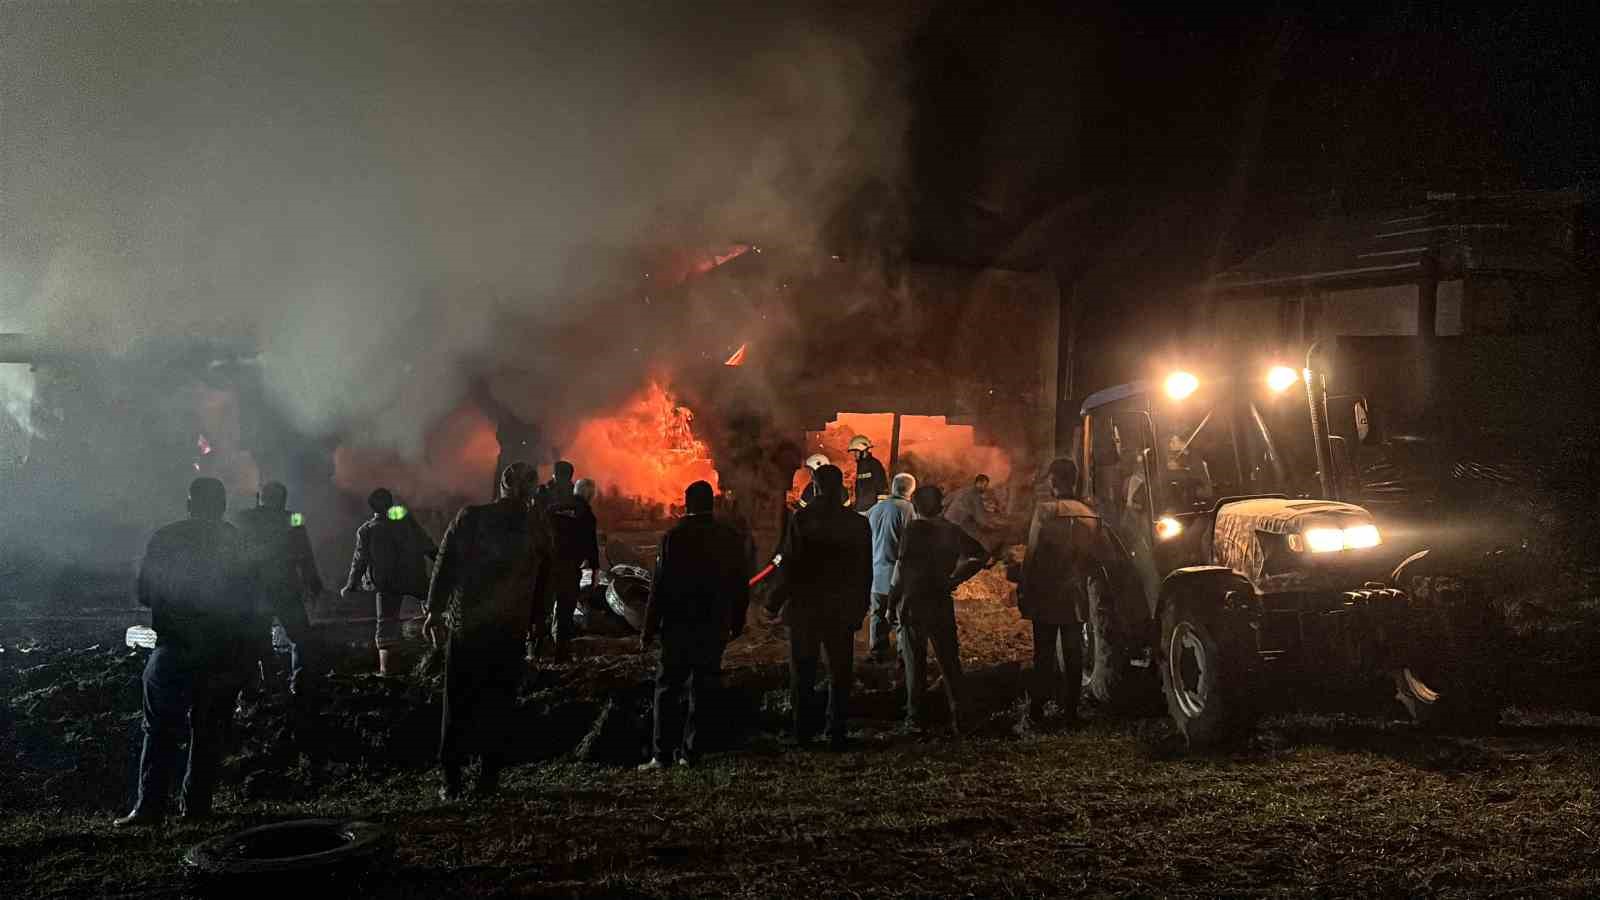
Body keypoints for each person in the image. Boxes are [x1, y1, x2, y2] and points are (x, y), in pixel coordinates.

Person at [116, 478, 255, 826]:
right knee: (209, 731)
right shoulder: (234, 540)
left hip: (175, 647)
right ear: (221, 505)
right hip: (222, 650)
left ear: (190, 503)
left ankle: (149, 808)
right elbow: (250, 599)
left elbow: (145, 592)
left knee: (160, 729)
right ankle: (197, 807)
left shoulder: (167, 537)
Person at [423, 462, 552, 800]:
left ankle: (451, 781)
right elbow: (545, 581)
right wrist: (539, 624)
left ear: (501, 484)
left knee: (458, 701)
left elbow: (445, 564)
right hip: (510, 629)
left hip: (469, 627)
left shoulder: (471, 518)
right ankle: (489, 777)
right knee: (499, 700)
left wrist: (434, 611)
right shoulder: (537, 526)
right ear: (533, 489)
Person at [637, 481, 751, 770]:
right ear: (711, 504)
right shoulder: (729, 537)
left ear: (686, 505)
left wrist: (648, 629)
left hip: (678, 624)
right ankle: (692, 752)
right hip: (713, 625)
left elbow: (658, 588)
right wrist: (738, 619)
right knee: (704, 686)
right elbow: (740, 584)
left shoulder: (674, 537)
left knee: (667, 689)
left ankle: (661, 755)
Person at [765, 464, 872, 750]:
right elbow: (864, 571)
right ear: (840, 487)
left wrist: (773, 603)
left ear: (816, 486)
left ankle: (803, 733)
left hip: (806, 608)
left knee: (803, 672)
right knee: (840, 672)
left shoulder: (803, 519)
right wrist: (860, 607)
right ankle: (836, 731)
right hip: (840, 609)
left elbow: (790, 564)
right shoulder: (858, 523)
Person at [1018, 457, 1112, 727]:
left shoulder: (1045, 511)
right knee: (1074, 653)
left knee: (1043, 654)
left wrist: (1024, 589)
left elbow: (1033, 556)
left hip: (1047, 592)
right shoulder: (1090, 513)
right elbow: (1101, 558)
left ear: (1053, 480)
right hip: (1076, 594)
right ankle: (1070, 711)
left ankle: (1037, 709)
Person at [890, 485, 987, 734]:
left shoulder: (913, 529)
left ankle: (916, 719)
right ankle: (960, 717)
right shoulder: (951, 531)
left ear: (916, 505)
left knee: (915, 662)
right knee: (949, 661)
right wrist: (956, 578)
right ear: (941, 505)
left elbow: (901, 570)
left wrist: (891, 603)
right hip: (940, 600)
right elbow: (980, 555)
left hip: (914, 601)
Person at [233, 481, 323, 694]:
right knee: (300, 636)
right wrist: (313, 583)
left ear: (259, 497)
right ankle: (299, 682)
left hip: (253, 590)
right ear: (283, 499)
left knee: (256, 638)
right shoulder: (293, 518)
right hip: (285, 587)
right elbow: (305, 555)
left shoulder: (243, 519)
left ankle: (261, 683)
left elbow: (233, 557)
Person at [340, 487, 438, 676]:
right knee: (433, 611)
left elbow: (359, 561)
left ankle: (387, 670)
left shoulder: (366, 530)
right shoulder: (406, 521)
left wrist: (351, 585)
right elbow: (427, 544)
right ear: (390, 502)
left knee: (386, 623)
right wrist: (442, 563)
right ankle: (438, 653)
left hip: (387, 583)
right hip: (414, 576)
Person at [540, 461, 599, 661]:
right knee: (565, 611)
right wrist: (594, 573)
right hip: (569, 569)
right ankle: (561, 654)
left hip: (547, 565)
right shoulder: (587, 515)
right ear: (590, 496)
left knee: (543, 608)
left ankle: (538, 651)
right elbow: (591, 547)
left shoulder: (552, 507)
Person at [864, 472, 916, 663]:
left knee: (877, 614)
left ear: (893, 487)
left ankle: (878, 653)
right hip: (897, 575)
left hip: (876, 572)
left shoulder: (875, 509)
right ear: (911, 490)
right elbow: (911, 543)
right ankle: (904, 657)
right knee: (903, 616)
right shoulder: (908, 509)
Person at [941, 473, 996, 547]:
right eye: (985, 485)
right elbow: (981, 518)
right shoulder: (976, 496)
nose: (985, 488)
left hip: (946, 520)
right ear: (979, 483)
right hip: (957, 525)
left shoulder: (963, 489)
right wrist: (992, 526)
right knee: (981, 538)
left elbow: (944, 502)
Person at [848, 435, 888, 513]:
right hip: (861, 509)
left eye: (856, 451)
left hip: (871, 510)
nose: (855, 454)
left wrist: (879, 510)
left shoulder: (874, 464)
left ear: (863, 451)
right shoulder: (861, 465)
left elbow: (882, 487)